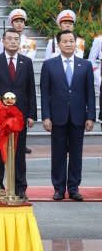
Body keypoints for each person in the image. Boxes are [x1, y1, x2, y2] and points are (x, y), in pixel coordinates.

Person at [41, 30, 95, 201]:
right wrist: (46, 116)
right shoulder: (49, 65)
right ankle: (58, 188)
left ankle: (73, 188)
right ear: (59, 44)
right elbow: (44, 93)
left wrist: (90, 116)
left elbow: (90, 93)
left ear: (75, 43)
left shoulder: (85, 65)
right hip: (57, 117)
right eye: (65, 41)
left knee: (76, 155)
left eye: (72, 41)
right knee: (58, 154)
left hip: (79, 117)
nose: (69, 44)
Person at [0, 29, 36, 199]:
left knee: (19, 152)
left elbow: (31, 90)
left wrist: (31, 115)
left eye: (16, 39)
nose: (13, 42)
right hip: (0, 116)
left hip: (19, 116)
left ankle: (20, 187)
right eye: (9, 39)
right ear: (3, 41)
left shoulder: (26, 62)